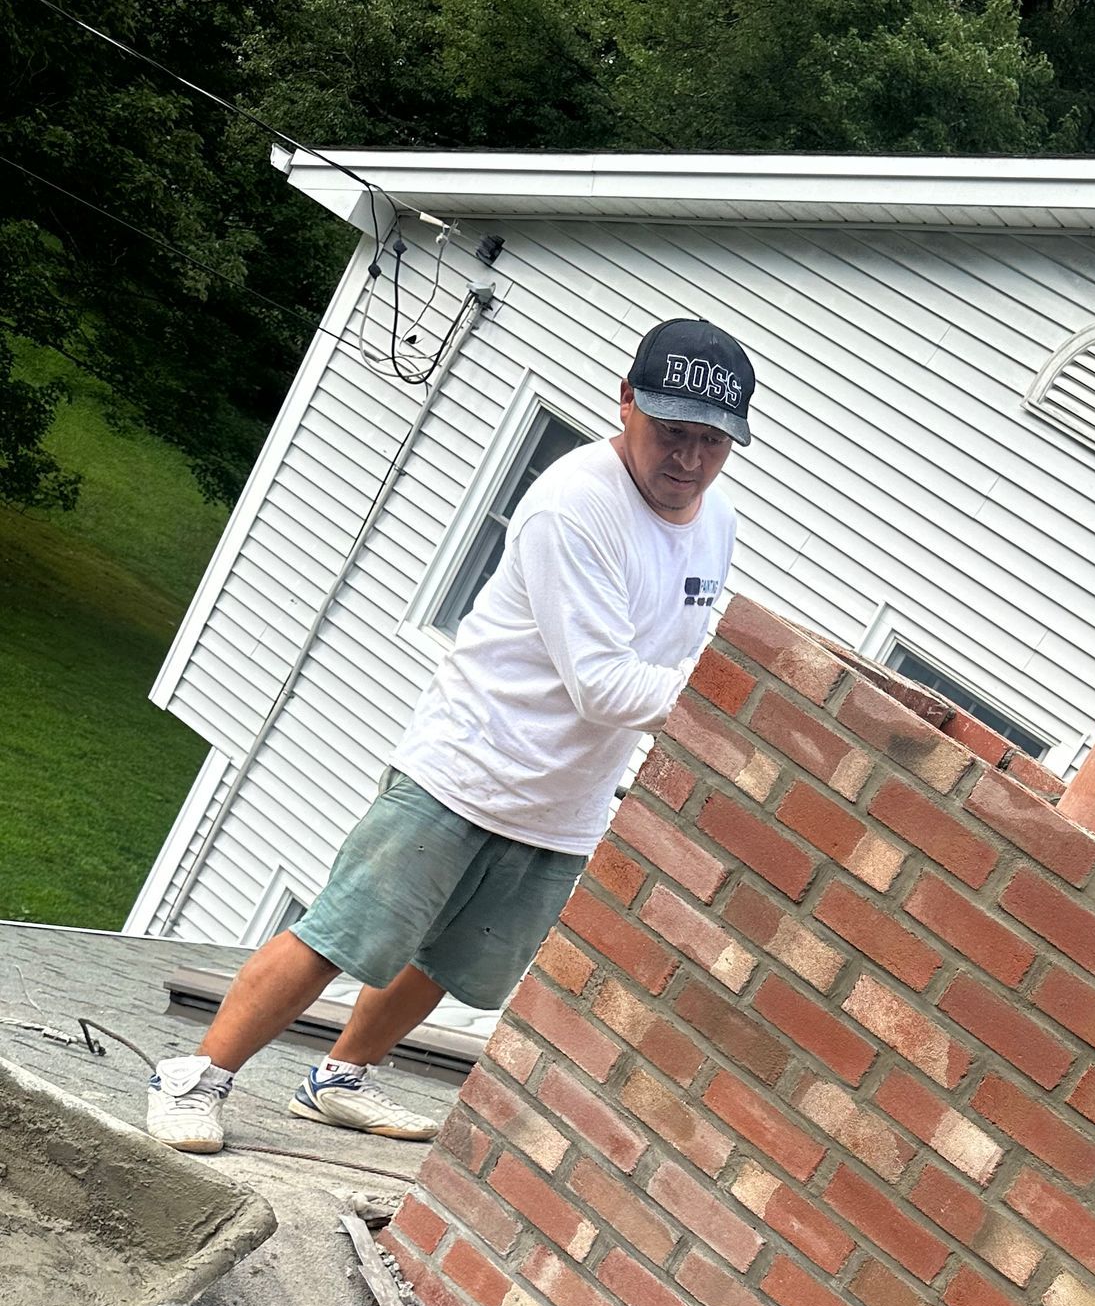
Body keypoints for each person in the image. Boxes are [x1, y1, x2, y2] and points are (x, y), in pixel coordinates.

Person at [146, 316, 753, 1153]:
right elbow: (606, 681)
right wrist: (741, 710)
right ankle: (195, 1076)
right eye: (672, 433)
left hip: (563, 802)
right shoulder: (575, 505)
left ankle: (338, 1078)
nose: (688, 460)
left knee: (451, 959)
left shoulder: (715, 523)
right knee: (343, 934)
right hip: (466, 769)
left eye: (711, 443)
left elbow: (675, 655)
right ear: (626, 404)